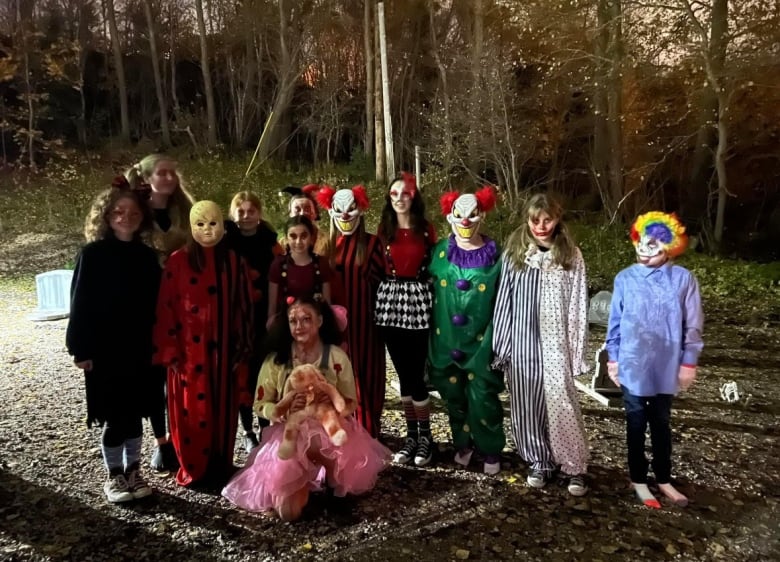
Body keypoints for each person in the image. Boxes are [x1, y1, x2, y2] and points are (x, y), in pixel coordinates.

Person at [222, 296, 390, 521]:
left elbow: (350, 403)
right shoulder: (276, 361)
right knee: (288, 513)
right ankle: (301, 483)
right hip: (290, 433)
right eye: (293, 321)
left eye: (306, 319)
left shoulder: (337, 357)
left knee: (338, 451)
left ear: (320, 321)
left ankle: (334, 485)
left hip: (329, 427)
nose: (299, 326)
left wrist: (331, 396)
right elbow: (260, 405)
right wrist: (282, 408)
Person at [66, 179, 161, 503]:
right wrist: (80, 348)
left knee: (135, 414)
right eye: (118, 211)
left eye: (133, 211)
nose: (126, 216)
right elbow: (79, 303)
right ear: (106, 216)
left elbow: (158, 305)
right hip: (105, 350)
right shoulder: (92, 255)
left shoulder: (147, 257)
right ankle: (114, 475)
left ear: (142, 216)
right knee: (114, 415)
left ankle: (134, 470)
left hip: (140, 348)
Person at [492, 193, 590, 495]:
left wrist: (576, 352)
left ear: (557, 218)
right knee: (525, 405)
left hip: (556, 343)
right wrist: (502, 345)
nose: (541, 225)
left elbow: (577, 305)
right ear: (528, 219)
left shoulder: (571, 255)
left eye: (547, 219)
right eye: (535, 219)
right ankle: (539, 460)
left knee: (562, 402)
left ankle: (573, 465)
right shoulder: (515, 254)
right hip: (523, 343)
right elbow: (504, 302)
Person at [153, 201, 254, 488]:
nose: (208, 230)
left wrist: (242, 348)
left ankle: (221, 465)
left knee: (223, 408)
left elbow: (243, 308)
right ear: (191, 227)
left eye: (213, 223)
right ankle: (195, 467)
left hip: (224, 352)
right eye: (201, 224)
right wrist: (170, 351)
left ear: (223, 226)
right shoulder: (177, 261)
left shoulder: (234, 261)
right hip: (189, 354)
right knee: (192, 410)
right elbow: (166, 307)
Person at [606, 211, 703, 509]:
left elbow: (694, 323)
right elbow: (616, 322)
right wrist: (613, 359)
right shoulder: (625, 278)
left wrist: (689, 361)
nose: (646, 249)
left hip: (667, 365)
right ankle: (638, 478)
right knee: (635, 423)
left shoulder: (683, 279)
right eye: (642, 241)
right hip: (633, 364)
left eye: (656, 243)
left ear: (670, 245)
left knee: (661, 422)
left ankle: (663, 477)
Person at [126, 154, 195, 472]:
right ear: (148, 177)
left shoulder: (185, 208)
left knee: (179, 372)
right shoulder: (135, 213)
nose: (168, 177)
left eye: (172, 172)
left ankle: (183, 436)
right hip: (146, 298)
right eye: (162, 173)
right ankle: (161, 441)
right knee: (155, 373)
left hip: (181, 298)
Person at [428, 187, 504, 475]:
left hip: (482, 341)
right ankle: (463, 443)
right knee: (454, 394)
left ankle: (490, 448)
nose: (466, 221)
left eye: (472, 215)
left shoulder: (495, 256)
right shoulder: (439, 252)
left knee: (482, 397)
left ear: (482, 215)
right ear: (449, 216)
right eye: (459, 215)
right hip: (446, 339)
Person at [376, 173, 437, 467]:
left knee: (417, 374)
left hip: (418, 300)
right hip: (389, 300)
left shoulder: (426, 230)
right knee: (402, 374)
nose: (400, 198)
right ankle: (411, 436)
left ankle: (426, 437)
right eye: (394, 194)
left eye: (405, 193)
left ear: (414, 198)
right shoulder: (383, 230)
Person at [316, 185, 386, 438]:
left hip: (366, 325)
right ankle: (340, 431)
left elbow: (383, 284)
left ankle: (367, 432)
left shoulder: (372, 244)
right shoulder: (326, 246)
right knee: (336, 376)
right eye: (339, 209)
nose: (345, 216)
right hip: (333, 326)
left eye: (350, 209)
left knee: (367, 378)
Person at [225, 191, 283, 453]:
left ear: (259, 214)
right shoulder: (225, 241)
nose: (246, 216)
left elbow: (280, 278)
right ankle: (247, 429)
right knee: (241, 373)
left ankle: (264, 425)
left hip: (263, 315)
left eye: (251, 211)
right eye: (241, 211)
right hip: (235, 316)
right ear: (233, 213)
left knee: (263, 372)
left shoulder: (270, 242)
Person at [267, 215, 334, 326]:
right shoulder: (278, 264)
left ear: (311, 237)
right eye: (293, 236)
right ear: (286, 238)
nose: (298, 241)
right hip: (286, 325)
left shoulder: (321, 263)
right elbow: (272, 308)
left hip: (314, 326)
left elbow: (327, 303)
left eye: (303, 236)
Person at [280, 184, 330, 257]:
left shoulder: (328, 242)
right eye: (297, 210)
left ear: (315, 214)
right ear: (290, 214)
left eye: (307, 209)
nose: (302, 213)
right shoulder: (282, 244)